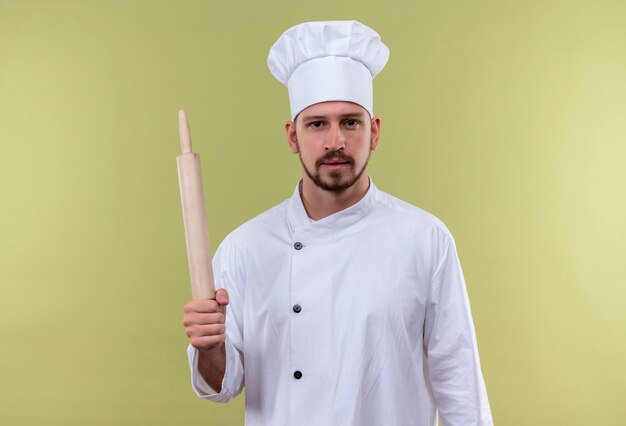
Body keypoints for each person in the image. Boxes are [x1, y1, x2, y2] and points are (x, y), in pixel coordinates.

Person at [182, 20, 493, 426]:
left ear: (374, 132)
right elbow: (221, 386)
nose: (334, 142)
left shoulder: (425, 240)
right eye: (317, 124)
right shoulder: (244, 248)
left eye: (350, 122)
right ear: (292, 136)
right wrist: (210, 347)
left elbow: (460, 388)